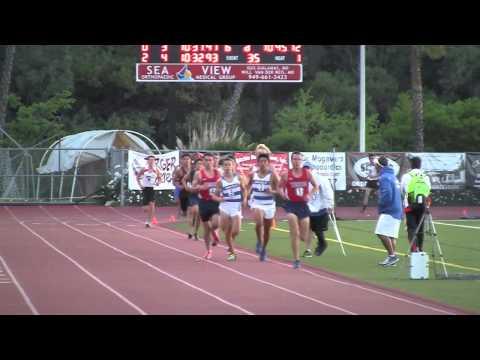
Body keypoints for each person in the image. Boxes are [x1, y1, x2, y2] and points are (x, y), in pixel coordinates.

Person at [279, 152, 319, 269]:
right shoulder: (287, 174)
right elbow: (279, 187)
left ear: (301, 161)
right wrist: (283, 195)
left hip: (303, 206)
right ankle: (296, 259)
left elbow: (316, 186)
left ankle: (303, 238)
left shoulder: (307, 173)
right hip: (291, 205)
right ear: (292, 161)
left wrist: (310, 194)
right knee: (294, 232)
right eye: (295, 159)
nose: (297, 161)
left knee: (303, 236)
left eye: (299, 159)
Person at [211, 157, 248, 261]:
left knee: (236, 231)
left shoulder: (239, 178)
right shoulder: (220, 181)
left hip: (236, 206)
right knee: (226, 231)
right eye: (225, 165)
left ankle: (230, 243)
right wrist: (219, 199)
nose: (227, 167)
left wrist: (245, 198)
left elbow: (244, 190)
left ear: (233, 166)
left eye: (229, 165)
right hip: (225, 207)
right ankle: (231, 252)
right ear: (222, 167)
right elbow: (215, 195)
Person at [248, 153, 280, 262]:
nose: (262, 163)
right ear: (257, 163)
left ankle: (263, 249)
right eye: (260, 161)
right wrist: (247, 195)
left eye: (265, 161)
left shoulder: (272, 175)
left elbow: (280, 190)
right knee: (259, 222)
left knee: (267, 230)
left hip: (269, 205)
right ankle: (259, 241)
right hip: (257, 203)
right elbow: (248, 186)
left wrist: (272, 191)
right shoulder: (253, 174)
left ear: (268, 163)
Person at [374, 156, 403, 267]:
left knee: (380, 232)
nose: (374, 166)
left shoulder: (384, 177)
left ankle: (392, 256)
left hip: (389, 209)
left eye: (375, 165)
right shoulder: (392, 176)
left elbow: (387, 194)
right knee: (391, 235)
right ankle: (392, 259)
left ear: (378, 166)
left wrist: (381, 203)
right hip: (396, 208)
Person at [192, 153, 222, 259]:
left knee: (216, 223)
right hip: (203, 202)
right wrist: (201, 187)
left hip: (215, 201)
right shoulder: (199, 173)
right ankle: (209, 250)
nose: (208, 162)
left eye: (210, 160)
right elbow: (193, 187)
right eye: (206, 160)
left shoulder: (218, 172)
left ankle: (214, 231)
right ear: (203, 161)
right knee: (206, 229)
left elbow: (225, 183)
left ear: (213, 161)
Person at [302, 161, 334, 258]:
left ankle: (320, 244)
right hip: (307, 208)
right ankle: (308, 249)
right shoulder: (302, 179)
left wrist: (330, 204)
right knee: (307, 228)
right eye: (304, 168)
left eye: (308, 168)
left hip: (319, 207)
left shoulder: (320, 179)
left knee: (317, 229)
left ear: (312, 169)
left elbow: (328, 192)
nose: (306, 170)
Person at [400, 156, 431, 252]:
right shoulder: (425, 176)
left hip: (410, 204)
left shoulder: (406, 176)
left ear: (411, 165)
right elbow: (428, 190)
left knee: (411, 227)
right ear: (420, 165)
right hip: (423, 205)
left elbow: (402, 191)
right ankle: (420, 249)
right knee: (420, 227)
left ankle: (414, 249)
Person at [136, 155, 161, 228]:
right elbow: (137, 177)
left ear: (154, 161)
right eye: (150, 160)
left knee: (152, 205)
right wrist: (140, 185)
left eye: (153, 160)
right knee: (145, 209)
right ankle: (148, 217)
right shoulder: (144, 169)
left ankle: (149, 221)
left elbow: (160, 178)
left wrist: (158, 182)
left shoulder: (156, 169)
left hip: (152, 189)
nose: (151, 161)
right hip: (145, 189)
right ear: (147, 161)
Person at [183, 156, 204, 241]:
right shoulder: (192, 173)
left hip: (202, 195)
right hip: (193, 194)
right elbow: (184, 180)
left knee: (199, 216)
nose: (200, 165)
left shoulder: (205, 173)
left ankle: (195, 232)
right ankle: (190, 230)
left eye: (201, 164)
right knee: (195, 210)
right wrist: (186, 187)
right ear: (195, 165)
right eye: (198, 163)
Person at [173, 153, 192, 217]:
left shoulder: (193, 169)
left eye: (188, 159)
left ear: (190, 160)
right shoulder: (179, 171)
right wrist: (179, 186)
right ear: (182, 160)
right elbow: (174, 181)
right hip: (183, 192)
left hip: (192, 191)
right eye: (185, 159)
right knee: (184, 211)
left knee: (192, 208)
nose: (186, 161)